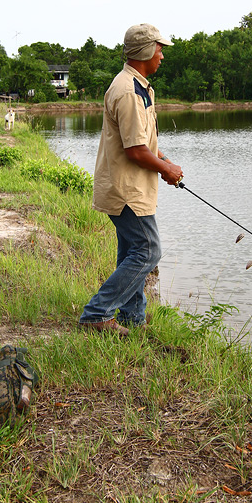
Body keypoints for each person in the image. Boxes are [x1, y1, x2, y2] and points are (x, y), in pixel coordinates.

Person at [79, 23, 183, 336]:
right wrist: (165, 170)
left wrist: (163, 160)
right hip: (127, 190)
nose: (162, 55)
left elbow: (144, 143)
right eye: (160, 49)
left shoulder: (138, 86)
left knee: (130, 251)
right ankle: (97, 313)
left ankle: (132, 316)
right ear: (146, 51)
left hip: (133, 187)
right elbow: (136, 150)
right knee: (148, 251)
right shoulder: (127, 90)